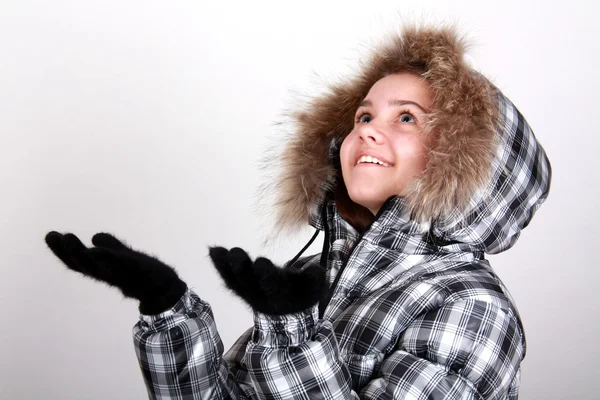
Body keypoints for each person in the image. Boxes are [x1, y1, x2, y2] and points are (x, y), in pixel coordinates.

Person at [45, 24, 551, 399]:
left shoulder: (473, 311)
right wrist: (168, 307)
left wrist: (293, 334)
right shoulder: (317, 274)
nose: (369, 129)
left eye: (406, 117)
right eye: (364, 115)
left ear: (468, 161)